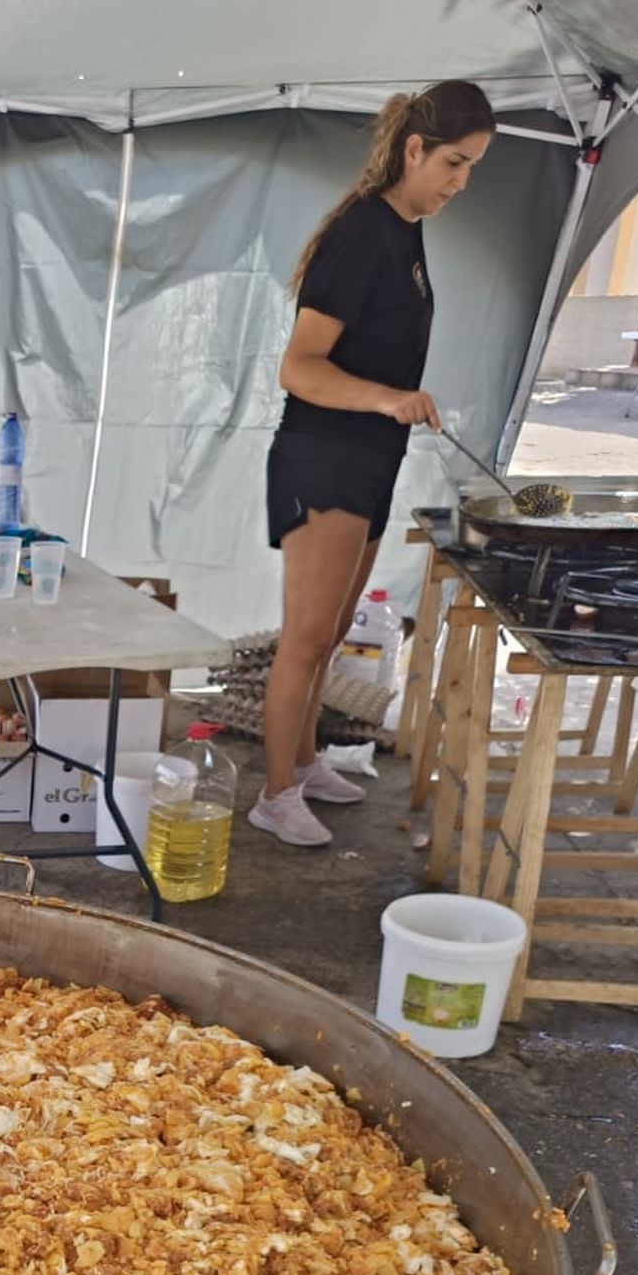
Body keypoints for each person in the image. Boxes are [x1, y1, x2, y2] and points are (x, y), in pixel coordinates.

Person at [251, 82, 496, 848]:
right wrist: (388, 398)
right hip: (322, 458)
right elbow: (299, 367)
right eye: (453, 163)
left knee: (328, 634)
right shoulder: (362, 234)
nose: (459, 183)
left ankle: (306, 759)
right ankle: (275, 792)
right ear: (414, 149)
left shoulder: (405, 229)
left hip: (366, 460)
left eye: (473, 169)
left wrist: (393, 404)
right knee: (304, 635)